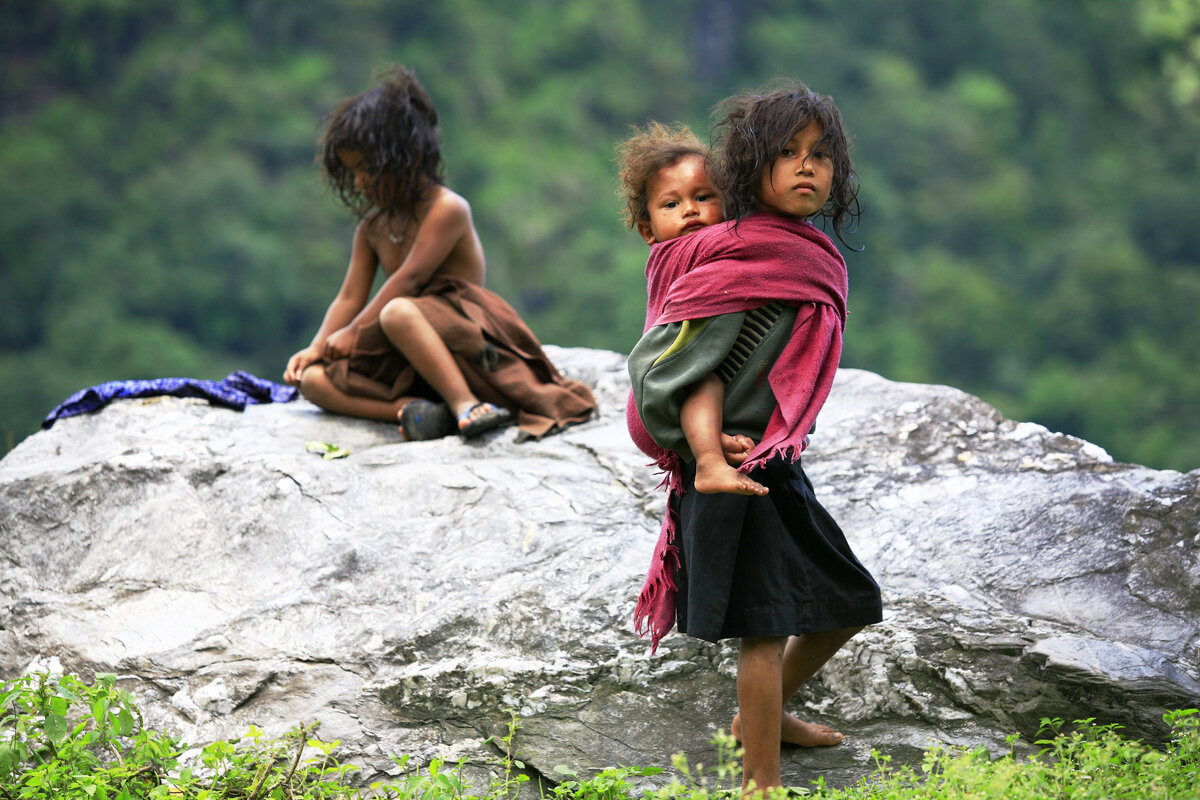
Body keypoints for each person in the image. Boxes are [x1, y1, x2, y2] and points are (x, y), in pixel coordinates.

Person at [626, 82, 882, 796]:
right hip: (728, 472)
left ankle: (758, 721)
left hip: (773, 463)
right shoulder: (737, 258)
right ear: (750, 171)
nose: (808, 167)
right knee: (764, 633)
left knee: (849, 599)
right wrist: (707, 452)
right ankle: (760, 782)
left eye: (820, 154)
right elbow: (681, 367)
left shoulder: (799, 250)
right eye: (788, 155)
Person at [284, 66, 595, 440]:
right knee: (313, 381)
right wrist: (316, 347)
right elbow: (349, 297)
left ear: (403, 159)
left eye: (367, 169)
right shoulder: (372, 229)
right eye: (352, 173)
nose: (359, 183)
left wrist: (352, 335)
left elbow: (410, 279)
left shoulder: (447, 209)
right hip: (406, 356)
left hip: (463, 346)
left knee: (398, 311)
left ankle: (466, 404)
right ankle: (415, 412)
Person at [615, 122, 766, 496]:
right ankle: (710, 461)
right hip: (665, 393)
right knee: (701, 373)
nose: (689, 211)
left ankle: (711, 441)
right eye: (671, 203)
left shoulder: (706, 247)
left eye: (703, 197)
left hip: (665, 404)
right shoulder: (678, 253)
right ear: (648, 231)